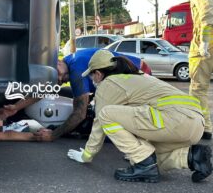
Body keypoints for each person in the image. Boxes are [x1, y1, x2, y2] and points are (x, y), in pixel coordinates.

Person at [67, 50, 212, 183]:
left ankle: (144, 162)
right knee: (151, 160)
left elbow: (99, 122)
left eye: (92, 75)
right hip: (194, 124)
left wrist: (86, 155)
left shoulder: (108, 84)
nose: (92, 79)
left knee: (106, 114)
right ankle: (192, 157)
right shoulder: (139, 76)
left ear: (98, 73)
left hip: (175, 120)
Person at [0, 48, 151, 141]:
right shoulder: (68, 63)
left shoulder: (76, 70)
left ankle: (141, 147)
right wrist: (16, 107)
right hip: (130, 75)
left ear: (57, 62)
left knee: (111, 116)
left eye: (57, 76)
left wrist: (53, 135)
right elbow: (43, 90)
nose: (58, 80)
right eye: (54, 79)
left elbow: (79, 113)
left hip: (138, 73)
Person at [189, 0, 213, 140]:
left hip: (206, 42)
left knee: (198, 88)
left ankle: (203, 127)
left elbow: (208, 11)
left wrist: (204, 40)